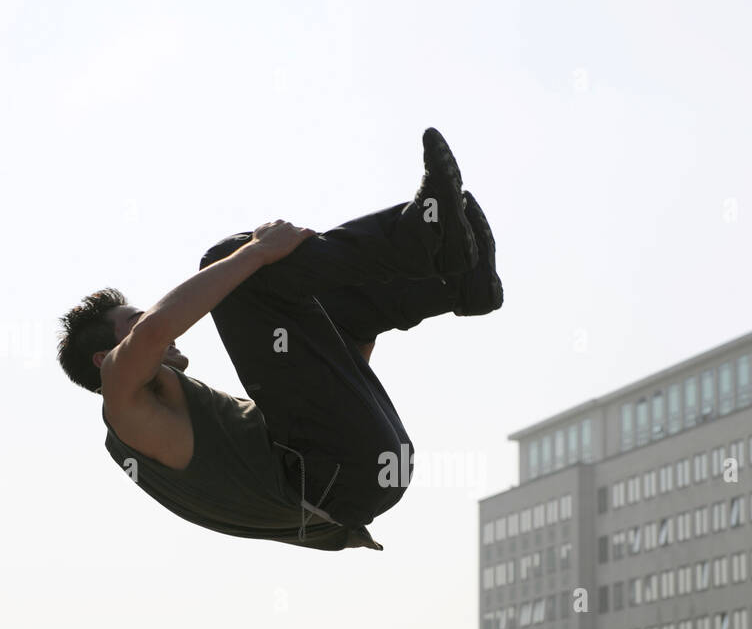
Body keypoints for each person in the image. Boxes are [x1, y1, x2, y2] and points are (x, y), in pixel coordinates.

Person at [57, 129, 502, 552]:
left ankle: (459, 284)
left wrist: (341, 339)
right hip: (341, 476)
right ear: (102, 358)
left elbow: (334, 371)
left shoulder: (213, 428)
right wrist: (257, 251)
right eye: (134, 318)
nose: (153, 319)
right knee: (230, 264)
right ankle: (427, 236)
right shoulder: (122, 400)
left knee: (312, 312)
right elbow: (155, 331)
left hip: (365, 474)